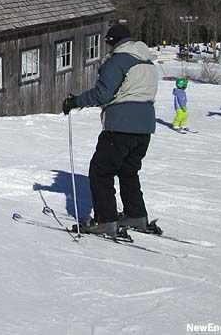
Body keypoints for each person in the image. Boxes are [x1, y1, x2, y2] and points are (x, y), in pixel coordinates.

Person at [62, 24, 159, 238]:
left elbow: (103, 94)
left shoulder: (118, 61)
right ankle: (136, 215)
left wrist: (75, 101)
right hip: (145, 126)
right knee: (128, 170)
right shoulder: (147, 61)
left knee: (101, 171)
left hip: (121, 124)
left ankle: (106, 221)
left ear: (113, 41)